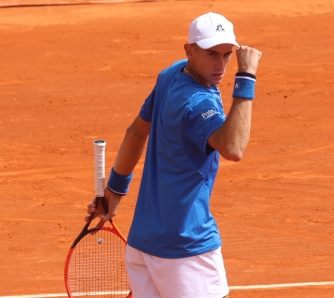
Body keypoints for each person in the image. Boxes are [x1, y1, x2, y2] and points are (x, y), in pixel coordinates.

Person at [85, 12, 261, 298]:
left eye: (227, 55)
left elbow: (136, 132)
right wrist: (246, 78)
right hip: (185, 251)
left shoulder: (171, 75)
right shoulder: (198, 102)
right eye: (211, 54)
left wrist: (113, 193)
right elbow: (233, 148)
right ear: (189, 50)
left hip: (142, 245)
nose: (221, 65)